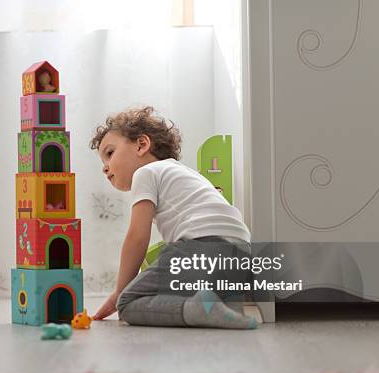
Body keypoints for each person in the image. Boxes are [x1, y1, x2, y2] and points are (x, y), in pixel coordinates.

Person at [88, 106, 257, 329]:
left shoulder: (145, 173)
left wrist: (120, 291)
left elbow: (137, 237)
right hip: (242, 258)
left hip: (203, 249)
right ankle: (220, 308)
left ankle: (195, 310)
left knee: (128, 302)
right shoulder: (185, 173)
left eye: (109, 153)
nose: (105, 168)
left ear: (141, 145)